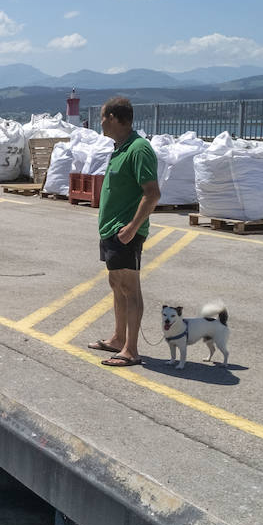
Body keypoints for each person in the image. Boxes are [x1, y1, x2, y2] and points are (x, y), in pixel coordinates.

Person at [89, 96, 159, 366]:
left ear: (117, 118)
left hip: (125, 231)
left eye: (104, 117)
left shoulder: (138, 149)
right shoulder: (120, 148)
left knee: (130, 288)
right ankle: (118, 339)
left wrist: (132, 227)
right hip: (111, 230)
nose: (101, 122)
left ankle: (131, 350)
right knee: (116, 284)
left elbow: (152, 193)